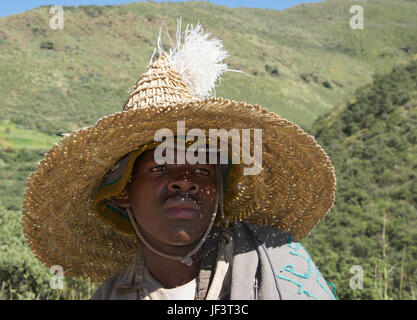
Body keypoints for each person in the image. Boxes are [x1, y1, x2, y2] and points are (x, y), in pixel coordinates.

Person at [22, 20, 337, 300]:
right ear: (122, 193)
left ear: (219, 187)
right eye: (160, 166)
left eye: (202, 168)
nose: (185, 179)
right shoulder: (110, 295)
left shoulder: (277, 264)